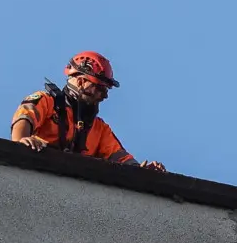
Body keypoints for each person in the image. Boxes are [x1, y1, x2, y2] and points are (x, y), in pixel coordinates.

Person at [10, 52, 165, 170]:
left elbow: (121, 158)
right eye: (100, 88)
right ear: (81, 81)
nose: (104, 95)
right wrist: (21, 141)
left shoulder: (99, 129)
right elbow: (25, 118)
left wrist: (142, 172)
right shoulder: (47, 101)